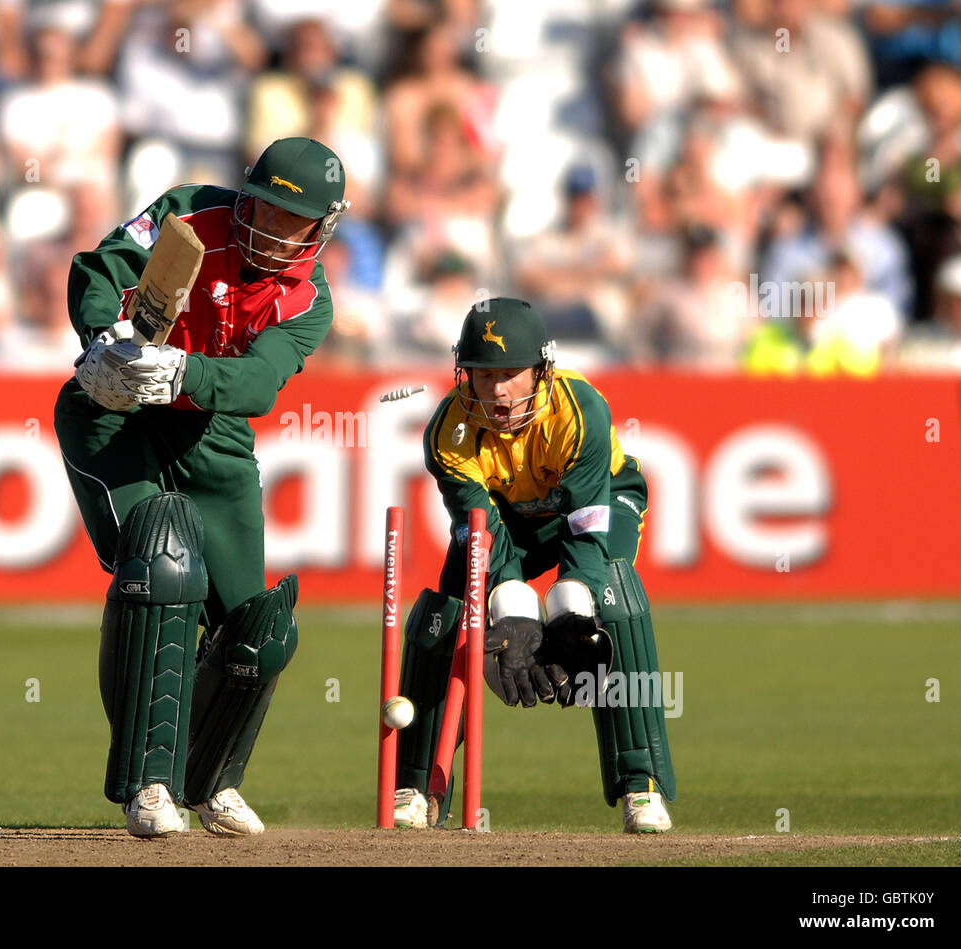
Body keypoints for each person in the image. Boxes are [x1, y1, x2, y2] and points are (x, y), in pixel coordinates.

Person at [54, 137, 349, 838]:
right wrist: (101, 340)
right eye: (264, 208)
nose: (271, 228)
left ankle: (211, 780)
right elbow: (100, 270)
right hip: (112, 412)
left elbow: (255, 383)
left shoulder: (306, 300)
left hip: (208, 429)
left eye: (291, 220)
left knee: (258, 628)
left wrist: (183, 374)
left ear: (321, 228)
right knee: (159, 573)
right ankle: (148, 783)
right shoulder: (188, 216)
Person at [394, 297, 677, 833]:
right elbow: (482, 533)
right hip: (507, 524)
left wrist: (570, 608)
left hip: (600, 502)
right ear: (463, 373)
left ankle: (641, 788)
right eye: (482, 375)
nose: (496, 390)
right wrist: (514, 608)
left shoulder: (580, 409)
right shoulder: (447, 435)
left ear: (541, 370)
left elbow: (586, 526)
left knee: (612, 604)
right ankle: (419, 786)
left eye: (509, 374)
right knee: (448, 618)